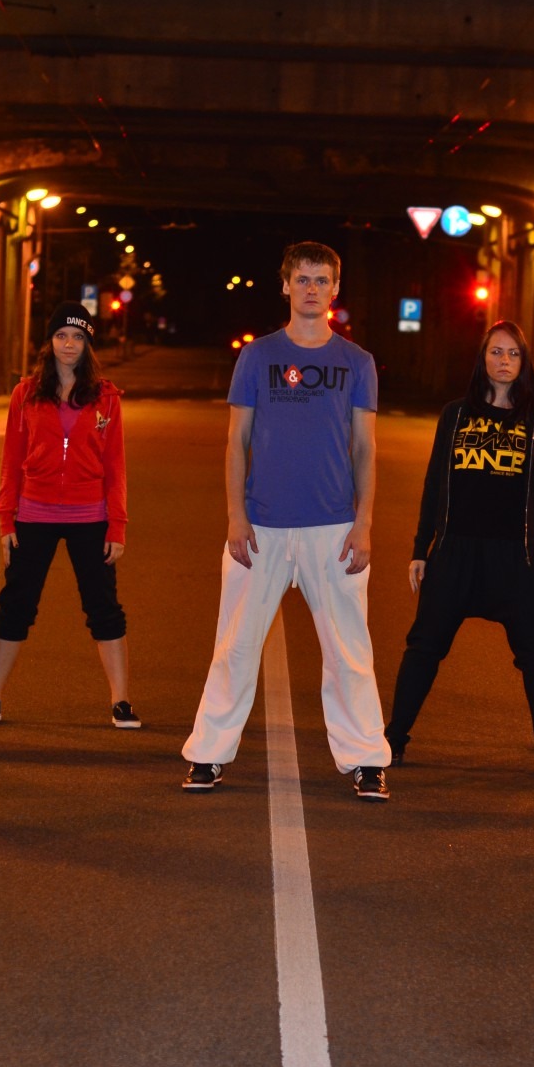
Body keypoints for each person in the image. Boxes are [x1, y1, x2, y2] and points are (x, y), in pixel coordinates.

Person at [181, 242, 391, 799]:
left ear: (335, 289)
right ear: (286, 286)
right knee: (235, 646)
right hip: (263, 526)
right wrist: (236, 515)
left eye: (322, 280)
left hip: (333, 527)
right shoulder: (257, 357)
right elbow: (236, 442)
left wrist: (364, 522)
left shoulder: (357, 362)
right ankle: (208, 754)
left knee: (348, 652)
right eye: (303, 279)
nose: (312, 289)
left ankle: (366, 759)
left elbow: (365, 448)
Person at [385, 320, 534, 777]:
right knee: (424, 648)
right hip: (456, 554)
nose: (504, 361)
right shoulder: (455, 415)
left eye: (513, 354)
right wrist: (421, 549)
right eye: (496, 352)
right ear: (482, 358)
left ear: (524, 363)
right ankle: (392, 742)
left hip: (516, 558)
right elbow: (434, 483)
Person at [0, 302, 137, 728]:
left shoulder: (106, 398)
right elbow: (11, 460)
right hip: (34, 514)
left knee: (103, 608)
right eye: (62, 335)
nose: (69, 344)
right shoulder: (26, 394)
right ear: (49, 342)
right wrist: (6, 519)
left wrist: (117, 525)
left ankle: (121, 702)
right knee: (15, 605)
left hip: (90, 516)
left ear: (88, 344)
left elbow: (115, 466)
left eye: (78, 337)